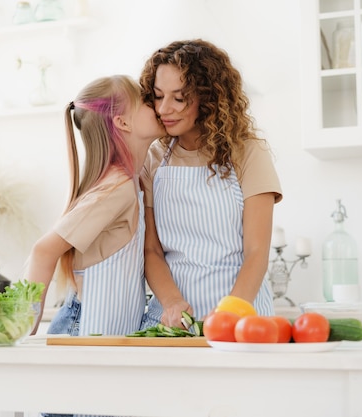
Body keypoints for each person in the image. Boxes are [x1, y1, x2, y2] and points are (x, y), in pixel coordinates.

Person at [139, 39, 283, 330]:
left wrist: (230, 315)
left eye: (179, 98)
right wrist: (171, 303)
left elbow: (256, 252)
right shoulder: (154, 157)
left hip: (242, 315)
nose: (164, 108)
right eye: (158, 96)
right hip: (172, 320)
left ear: (208, 98)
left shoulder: (248, 153)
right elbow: (151, 251)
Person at [25, 75, 165, 339]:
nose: (158, 105)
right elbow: (43, 251)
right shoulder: (116, 188)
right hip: (82, 332)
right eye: (147, 101)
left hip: (101, 336)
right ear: (122, 122)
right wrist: (24, 330)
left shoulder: (132, 181)